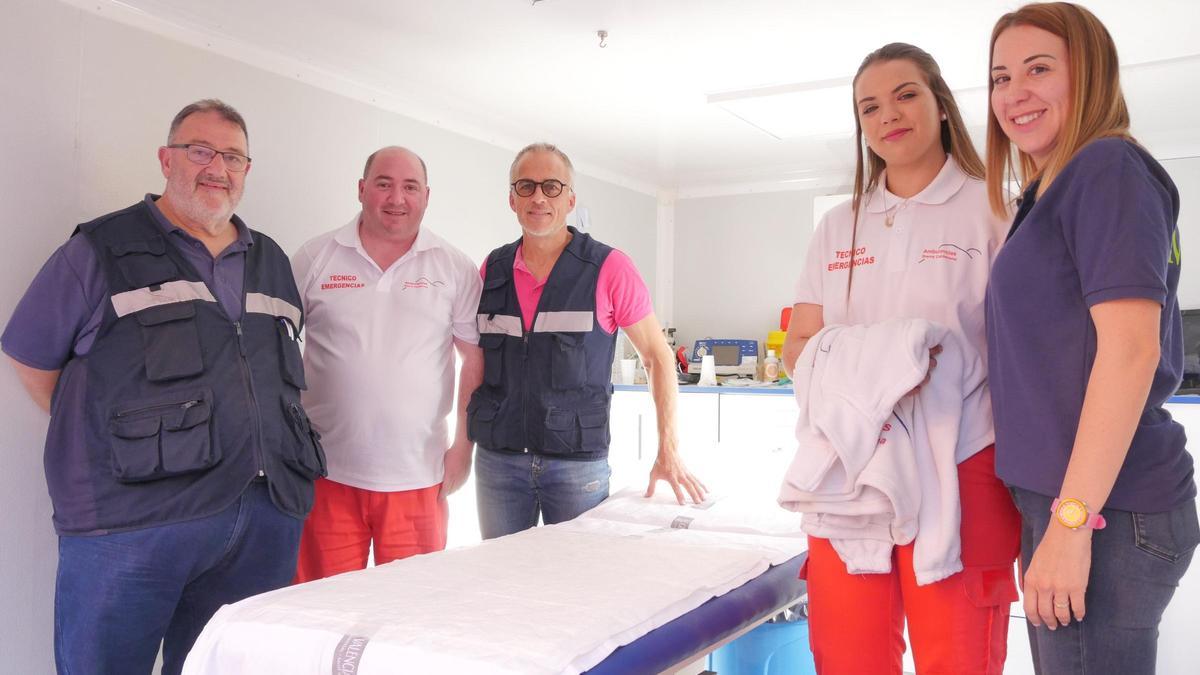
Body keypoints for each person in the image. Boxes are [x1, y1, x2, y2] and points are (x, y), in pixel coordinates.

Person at [1, 99, 323, 675]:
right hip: (131, 526)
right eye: (200, 151)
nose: (216, 167)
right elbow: (30, 357)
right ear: (166, 159)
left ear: (246, 169)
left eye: (231, 156)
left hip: (263, 515)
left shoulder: (271, 257)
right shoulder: (99, 249)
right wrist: (108, 438)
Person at [780, 44, 1020, 673]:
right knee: (848, 654)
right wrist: (887, 363)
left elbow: (1023, 353)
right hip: (847, 464)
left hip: (963, 459)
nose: (889, 114)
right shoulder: (838, 225)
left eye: (906, 94)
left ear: (940, 103)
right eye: (869, 106)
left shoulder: (994, 209)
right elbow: (798, 350)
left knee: (958, 655)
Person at [985, 4, 1199, 672]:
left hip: (1103, 510)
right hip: (1083, 502)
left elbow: (1132, 350)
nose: (1014, 91)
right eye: (999, 76)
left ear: (1090, 75)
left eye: (1039, 68)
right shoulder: (1051, 190)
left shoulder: (1105, 169)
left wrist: (1071, 523)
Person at [468, 142, 706, 539]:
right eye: (526, 186)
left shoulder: (608, 268)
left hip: (576, 468)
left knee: (583, 589)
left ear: (571, 198)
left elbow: (657, 357)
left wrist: (669, 449)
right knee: (501, 586)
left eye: (552, 186)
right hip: (498, 464)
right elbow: (473, 361)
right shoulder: (491, 269)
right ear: (511, 199)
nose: (539, 196)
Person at [291, 146, 483, 581]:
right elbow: (276, 345)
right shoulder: (314, 257)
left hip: (419, 476)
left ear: (426, 196)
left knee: (412, 615)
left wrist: (463, 448)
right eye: (384, 184)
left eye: (410, 187)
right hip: (327, 473)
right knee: (322, 610)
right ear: (362, 190)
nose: (397, 198)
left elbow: (473, 358)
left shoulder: (455, 267)